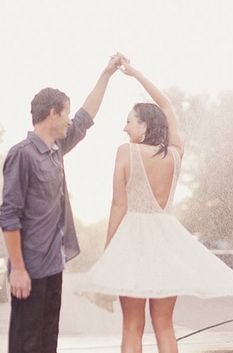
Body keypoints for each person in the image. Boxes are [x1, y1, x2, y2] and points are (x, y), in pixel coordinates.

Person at [78, 55, 233, 353]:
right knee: (164, 325)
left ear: (144, 126)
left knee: (132, 327)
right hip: (167, 245)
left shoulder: (125, 153)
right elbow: (167, 105)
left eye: (128, 122)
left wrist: (109, 252)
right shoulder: (175, 154)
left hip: (133, 245)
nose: (124, 128)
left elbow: (118, 206)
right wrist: (135, 73)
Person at [0, 55, 121, 353]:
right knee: (26, 344)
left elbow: (86, 116)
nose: (69, 120)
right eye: (65, 113)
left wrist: (106, 74)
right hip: (28, 269)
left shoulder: (57, 149)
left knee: (47, 342)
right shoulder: (22, 154)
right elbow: (9, 215)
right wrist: (17, 268)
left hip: (53, 264)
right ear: (52, 114)